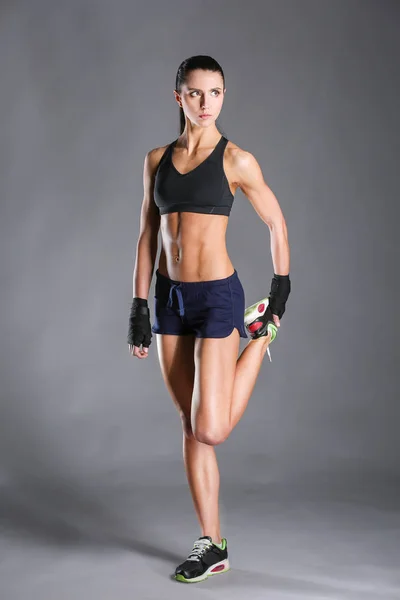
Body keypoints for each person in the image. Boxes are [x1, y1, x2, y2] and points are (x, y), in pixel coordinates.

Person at [127, 55, 291, 584]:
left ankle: (260, 334)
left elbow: (276, 223)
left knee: (211, 427)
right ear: (178, 97)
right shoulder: (156, 159)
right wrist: (139, 305)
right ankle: (211, 543)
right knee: (190, 426)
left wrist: (279, 293)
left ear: (224, 96)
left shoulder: (236, 160)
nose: (205, 103)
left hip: (218, 298)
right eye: (195, 93)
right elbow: (148, 236)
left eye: (215, 93)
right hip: (170, 298)